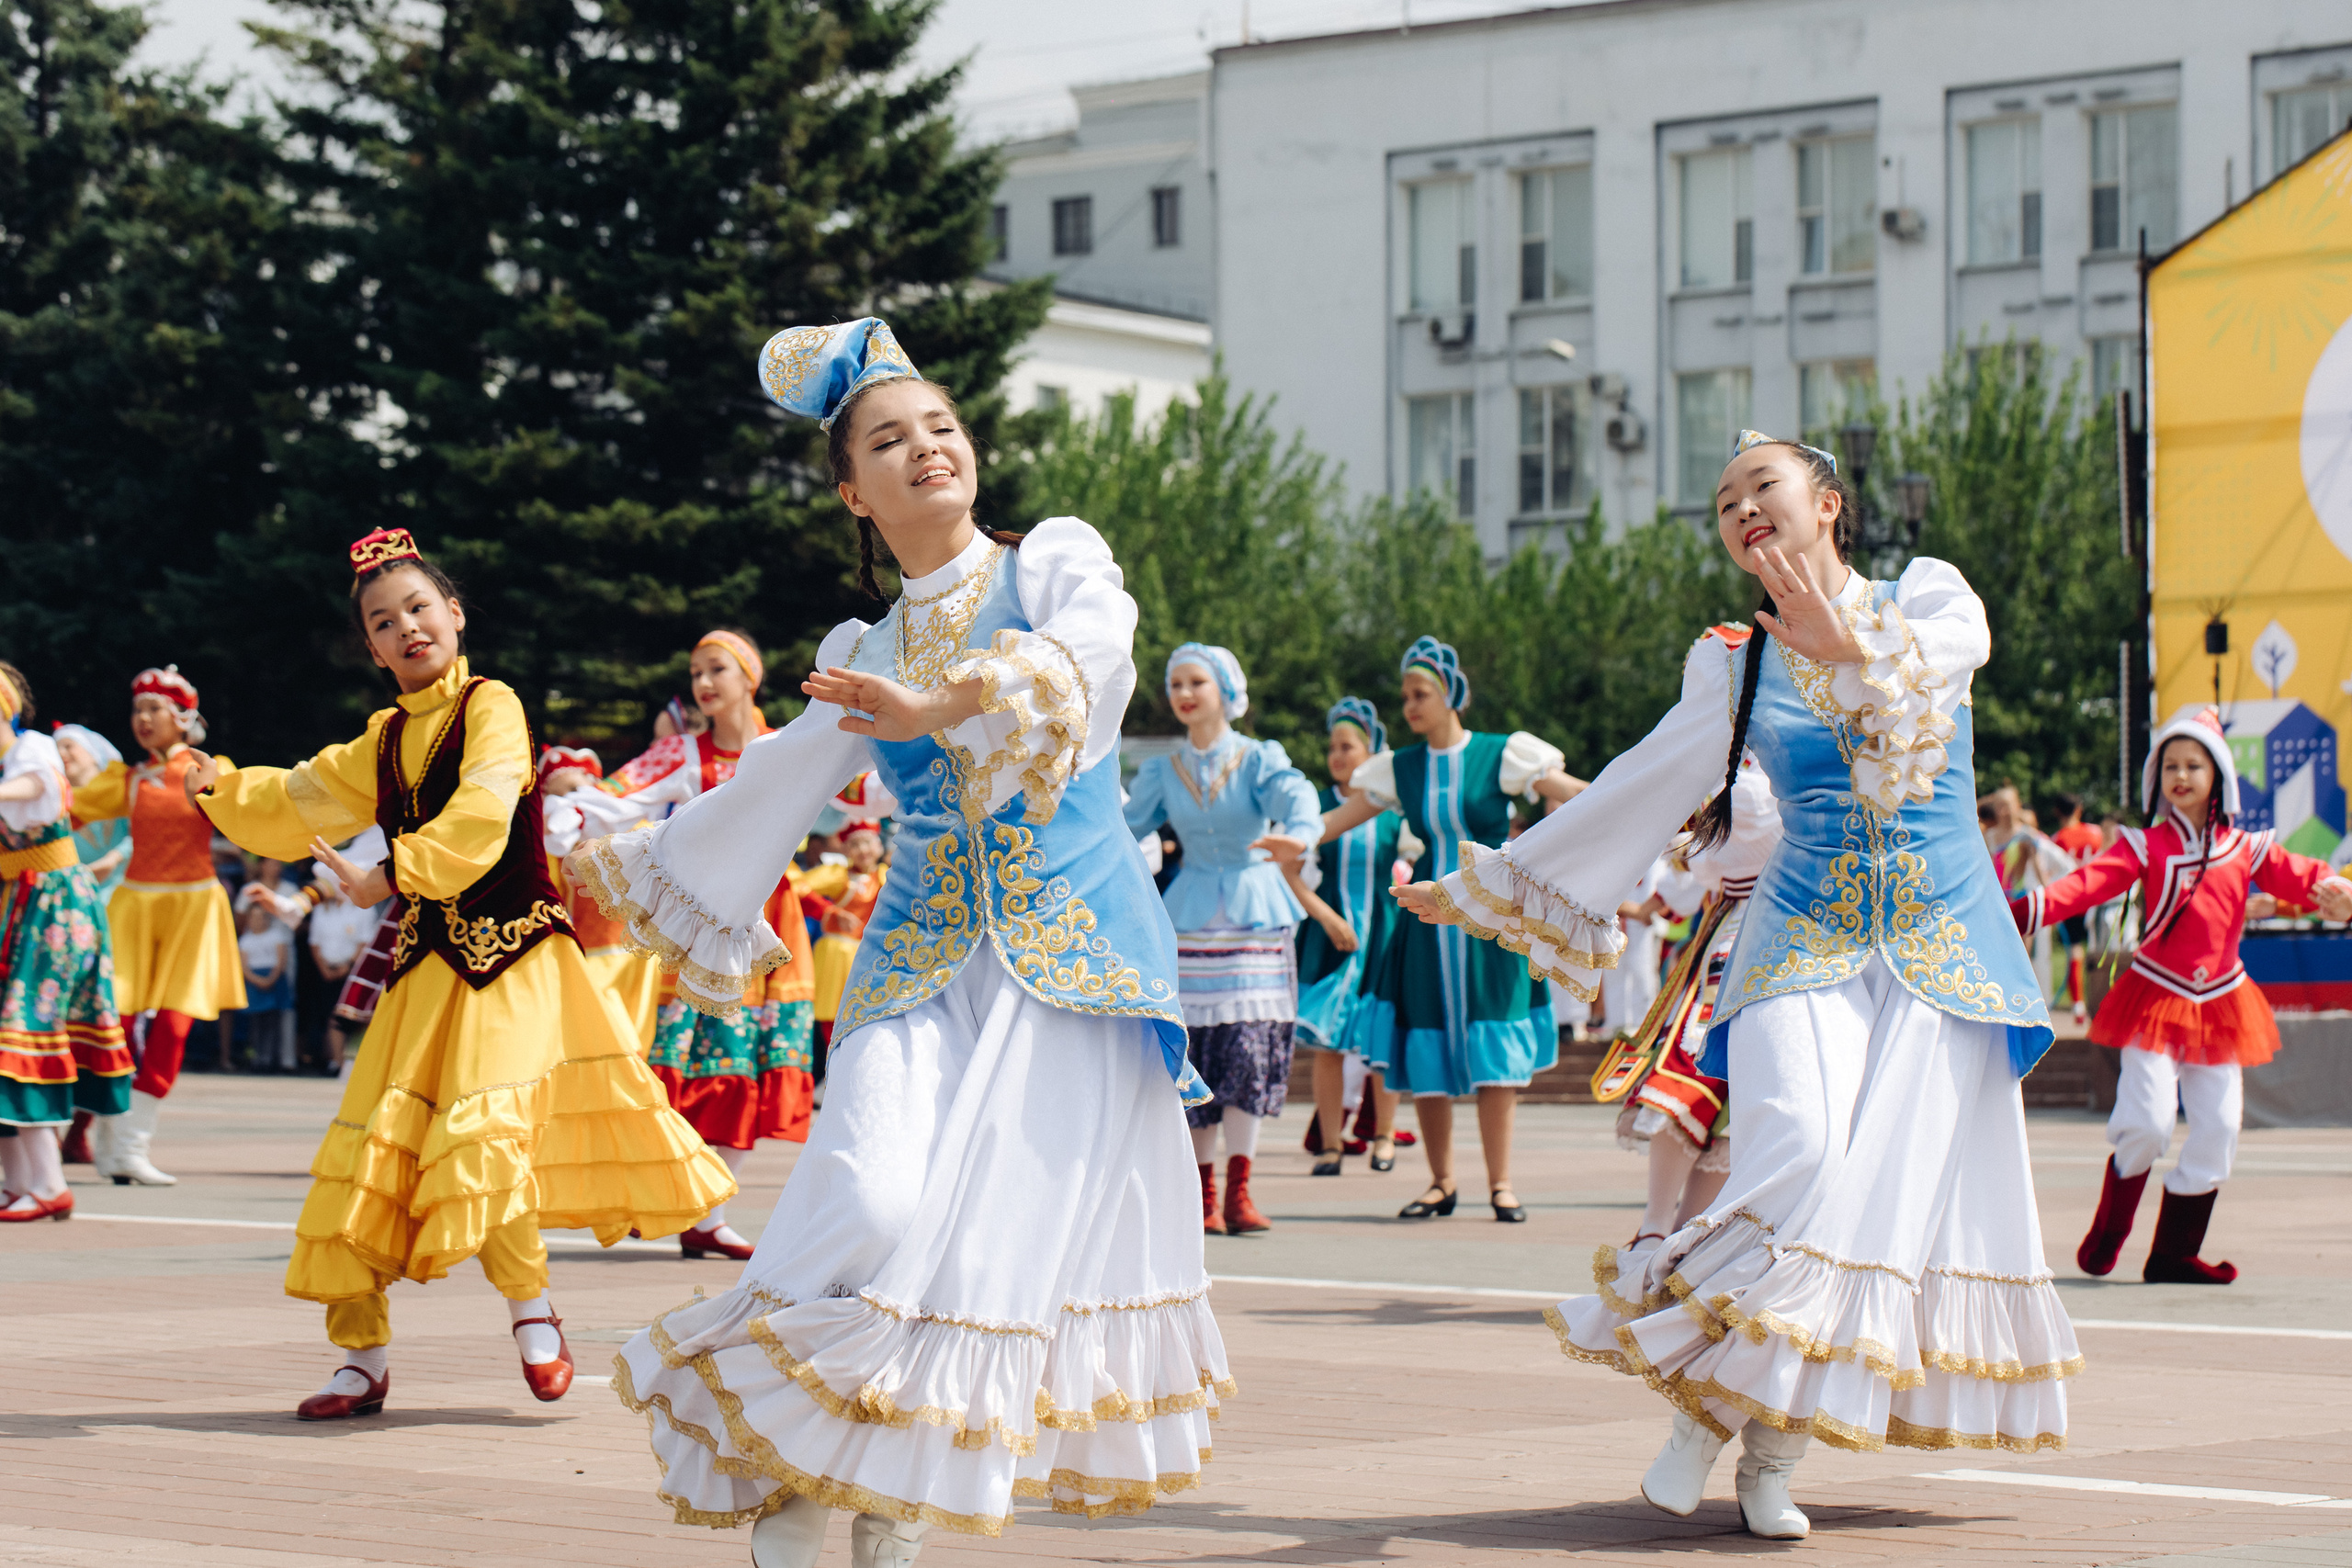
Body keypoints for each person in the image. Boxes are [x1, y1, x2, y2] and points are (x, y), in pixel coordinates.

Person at [575, 319, 1228, 1562]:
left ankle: (885, 1486)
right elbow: (773, 783)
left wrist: (949, 700)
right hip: (917, 962)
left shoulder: (1055, 564)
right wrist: (634, 848)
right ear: (852, 493)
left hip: (1072, 969)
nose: (926, 447)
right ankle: (800, 1446)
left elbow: (1094, 666)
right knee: (870, 1198)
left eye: (939, 426)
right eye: (889, 438)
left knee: (981, 1250)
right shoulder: (854, 650)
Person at [1398, 430, 2078, 1539]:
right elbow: (1645, 780)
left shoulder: (1927, 601)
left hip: (1943, 956)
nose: (1741, 509)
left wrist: (1845, 634)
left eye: (1760, 486)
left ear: (1826, 501)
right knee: (1797, 1156)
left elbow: (1935, 671)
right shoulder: (1733, 658)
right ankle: (1709, 1417)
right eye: (1723, 504)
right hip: (1798, 934)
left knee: (1866, 1215)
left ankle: (1758, 1445)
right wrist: (1502, 882)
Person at [186, 526, 733, 1420]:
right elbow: (300, 798)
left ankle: (530, 1311)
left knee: (487, 1134)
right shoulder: (385, 737)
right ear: (368, 646)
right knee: (366, 1149)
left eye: (417, 608)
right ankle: (360, 1357)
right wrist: (219, 783)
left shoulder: (493, 705)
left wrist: (391, 874)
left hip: (515, 957)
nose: (405, 627)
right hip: (428, 970)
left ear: (454, 614)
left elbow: (484, 808)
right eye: (382, 620)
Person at [2016, 708, 2352, 1285]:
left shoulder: (2246, 847)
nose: (2181, 774)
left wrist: (2340, 891)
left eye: (2194, 764)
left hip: (2222, 1003)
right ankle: (2109, 1231)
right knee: (2146, 1122)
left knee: (2220, 1128)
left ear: (2218, 775)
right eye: (2170, 764)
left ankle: (2174, 1252)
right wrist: (2019, 912)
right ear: (2156, 777)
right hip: (2154, 999)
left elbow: (2303, 874)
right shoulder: (2144, 846)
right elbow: (2085, 886)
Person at [544, 630, 822, 1262]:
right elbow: (610, 797)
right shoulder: (681, 751)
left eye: (717, 668)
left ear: (749, 677)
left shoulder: (788, 748)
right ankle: (668, 1194)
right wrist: (568, 805)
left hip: (769, 923)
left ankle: (708, 1213)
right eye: (696, 670)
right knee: (686, 1068)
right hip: (699, 923)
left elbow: (862, 790)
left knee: (743, 1064)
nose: (703, 681)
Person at [1317, 637, 1581, 1224]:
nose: (1410, 705)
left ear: (1450, 695)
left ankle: (1502, 1184)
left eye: (1421, 693)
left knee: (1494, 1055)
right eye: (1406, 696)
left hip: (1490, 923)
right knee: (1427, 1052)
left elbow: (1570, 796)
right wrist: (1291, 835)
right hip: (1423, 927)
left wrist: (1636, 807)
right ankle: (1441, 1182)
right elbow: (1338, 819)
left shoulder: (1501, 754)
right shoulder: (1399, 769)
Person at [1125, 644, 1321, 1235]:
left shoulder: (1260, 759)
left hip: (1254, 916)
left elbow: (1298, 798)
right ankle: (1204, 1195)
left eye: (1196, 683)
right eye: (1176, 685)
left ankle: (1240, 1191)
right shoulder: (1163, 769)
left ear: (1225, 691)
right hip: (1189, 920)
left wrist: (1302, 834)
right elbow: (1125, 825)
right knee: (1200, 1052)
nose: (1184, 694)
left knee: (1249, 1047)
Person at [61, 666, 246, 1185]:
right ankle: (110, 1139)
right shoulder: (128, 778)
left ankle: (131, 1146)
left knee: (173, 1025)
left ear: (182, 718)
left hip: (194, 907)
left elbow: (247, 817)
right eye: (137, 710)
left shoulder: (212, 767)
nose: (142, 719)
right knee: (113, 1023)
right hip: (135, 906)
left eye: (153, 710)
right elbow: (65, 812)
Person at [1589, 750, 1779, 1253]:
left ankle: (1674, 1236)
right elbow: (1672, 895)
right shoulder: (1732, 779)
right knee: (1702, 1074)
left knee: (1731, 1089)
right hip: (1736, 937)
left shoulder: (1754, 782)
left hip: (1764, 935)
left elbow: (1741, 821)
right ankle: (1661, 1232)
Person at [0, 663, 134, 1220]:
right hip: (17, 906)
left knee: (23, 1027)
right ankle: (20, 1183)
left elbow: (43, 791)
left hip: (52, 904)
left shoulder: (33, 749)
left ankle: (49, 1182)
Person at [1288, 697, 1418, 1175]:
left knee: (1383, 1038)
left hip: (1384, 933)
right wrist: (1325, 918)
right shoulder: (1315, 807)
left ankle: (1384, 1137)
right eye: (1333, 748)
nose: (1339, 756)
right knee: (1327, 1046)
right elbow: (1290, 871)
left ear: (1370, 754)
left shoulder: (1390, 811)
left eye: (1349, 747)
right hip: (1330, 935)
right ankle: (1329, 1145)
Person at [305, 872, 379, 1074]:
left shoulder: (362, 907)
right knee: (332, 1015)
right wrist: (324, 969)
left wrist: (348, 966)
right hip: (326, 970)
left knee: (353, 1016)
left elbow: (366, 941)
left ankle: (355, 1062)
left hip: (353, 970)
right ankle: (336, 1062)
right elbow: (315, 943)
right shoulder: (322, 909)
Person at [2046, 793, 2104, 1027]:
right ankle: (2101, 1002)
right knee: (2100, 951)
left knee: (2075, 953)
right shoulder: (2095, 833)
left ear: (2057, 812)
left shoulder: (2056, 839)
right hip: (2096, 898)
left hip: (2071, 901)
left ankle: (2079, 1005)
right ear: (2079, 809)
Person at [235, 898, 298, 1072]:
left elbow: (281, 960)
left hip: (273, 980)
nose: (258, 921)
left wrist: (270, 979)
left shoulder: (276, 936)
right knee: (255, 1025)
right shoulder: (245, 940)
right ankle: (256, 1059)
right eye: (254, 917)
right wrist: (257, 980)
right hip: (254, 982)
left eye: (262, 917)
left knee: (272, 1024)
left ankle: (270, 1059)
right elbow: (244, 966)